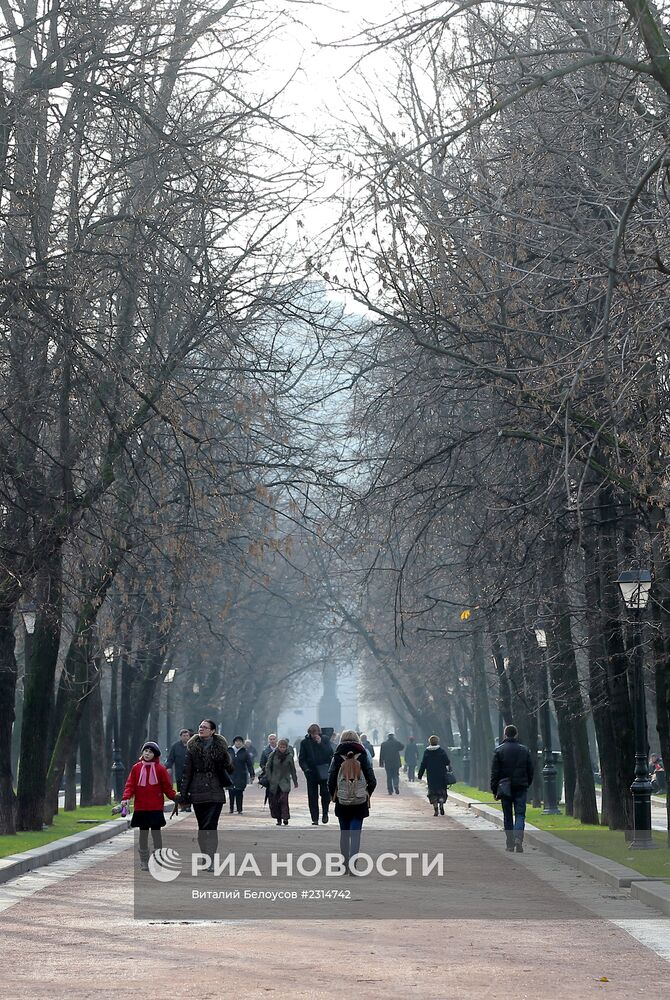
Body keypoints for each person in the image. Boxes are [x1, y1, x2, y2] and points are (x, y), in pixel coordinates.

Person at [180, 720, 234, 863]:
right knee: (203, 826)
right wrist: (183, 794)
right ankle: (205, 855)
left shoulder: (220, 747)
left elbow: (230, 769)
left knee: (212, 825)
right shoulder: (192, 747)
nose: (201, 729)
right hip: (198, 791)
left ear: (212, 731)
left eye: (205, 727)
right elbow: (187, 772)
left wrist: (223, 756)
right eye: (200, 727)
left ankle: (210, 858)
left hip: (215, 790)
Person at [121, 741, 176, 870]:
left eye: (150, 752)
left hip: (155, 807)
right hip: (141, 807)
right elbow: (130, 785)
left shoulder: (160, 769)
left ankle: (158, 858)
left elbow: (167, 788)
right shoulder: (136, 768)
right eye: (146, 751)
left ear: (155, 754)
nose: (147, 753)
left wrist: (176, 798)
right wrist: (126, 798)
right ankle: (144, 861)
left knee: (156, 833)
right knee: (143, 833)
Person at [328, 729, 376, 874]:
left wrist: (334, 796)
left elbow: (330, 780)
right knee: (356, 833)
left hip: (342, 800)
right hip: (359, 801)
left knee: (344, 833)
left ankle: (343, 864)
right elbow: (372, 779)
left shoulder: (337, 756)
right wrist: (367, 793)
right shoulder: (363, 755)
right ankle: (354, 865)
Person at [490, 724, 534, 852]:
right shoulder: (524, 750)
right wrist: (527, 783)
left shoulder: (499, 750)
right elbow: (530, 770)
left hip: (505, 788)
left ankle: (509, 843)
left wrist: (494, 789)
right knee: (520, 814)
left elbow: (495, 773)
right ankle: (518, 838)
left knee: (507, 815)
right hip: (521, 786)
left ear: (505, 734)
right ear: (516, 735)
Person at [298, 723, 334, 825]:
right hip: (311, 772)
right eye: (312, 733)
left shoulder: (325, 739)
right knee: (312, 796)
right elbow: (302, 758)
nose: (314, 735)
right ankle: (314, 818)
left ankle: (325, 814)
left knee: (325, 794)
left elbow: (330, 753)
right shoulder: (305, 742)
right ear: (309, 733)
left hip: (324, 771)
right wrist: (306, 769)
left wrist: (321, 743)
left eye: (316, 733)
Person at [265, 738, 298, 825]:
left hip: (285, 782)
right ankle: (278, 819)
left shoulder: (289, 756)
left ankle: (285, 818)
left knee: (284, 800)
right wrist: (269, 777)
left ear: (286, 747)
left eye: (284, 747)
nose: (282, 749)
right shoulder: (273, 755)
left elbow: (293, 770)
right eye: (280, 747)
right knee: (275, 801)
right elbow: (268, 767)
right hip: (274, 781)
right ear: (278, 746)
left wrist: (295, 781)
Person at [417, 736, 451, 815]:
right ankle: (441, 804)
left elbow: (423, 764)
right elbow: (447, 761)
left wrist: (420, 774)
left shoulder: (427, 752)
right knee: (442, 790)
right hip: (441, 775)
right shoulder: (441, 751)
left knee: (432, 792)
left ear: (430, 742)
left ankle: (435, 809)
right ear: (437, 741)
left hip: (431, 775)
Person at [166, 728, 192, 811]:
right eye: (184, 736)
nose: (185, 737)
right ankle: (182, 806)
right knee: (180, 790)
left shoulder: (192, 746)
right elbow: (170, 759)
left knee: (189, 789)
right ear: (180, 737)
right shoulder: (175, 747)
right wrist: (168, 767)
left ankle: (188, 806)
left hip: (190, 772)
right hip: (179, 773)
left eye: (187, 735)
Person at [229, 735, 255, 814]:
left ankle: (239, 808)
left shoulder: (245, 752)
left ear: (242, 743)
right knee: (231, 791)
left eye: (240, 742)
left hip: (241, 775)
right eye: (237, 741)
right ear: (234, 742)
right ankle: (231, 808)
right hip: (231, 774)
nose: (238, 743)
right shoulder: (229, 750)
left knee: (239, 792)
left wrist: (252, 774)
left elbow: (249, 764)